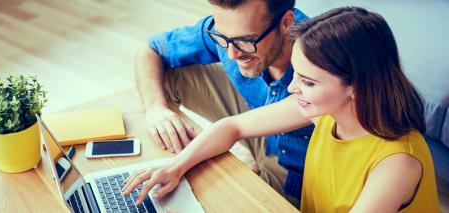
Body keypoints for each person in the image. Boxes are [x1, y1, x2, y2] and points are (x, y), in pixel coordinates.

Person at [124, 6, 440, 212]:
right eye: (297, 74)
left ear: (355, 85)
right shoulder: (324, 110)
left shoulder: (397, 164)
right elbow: (232, 127)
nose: (291, 88)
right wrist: (175, 166)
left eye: (308, 81)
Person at [135, 0, 313, 204]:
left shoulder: (323, 61)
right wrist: (155, 109)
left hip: (297, 168)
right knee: (167, 76)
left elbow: (232, 128)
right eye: (223, 38)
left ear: (286, 22)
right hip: (258, 126)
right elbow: (151, 49)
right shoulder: (230, 31)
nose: (231, 54)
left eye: (246, 40)